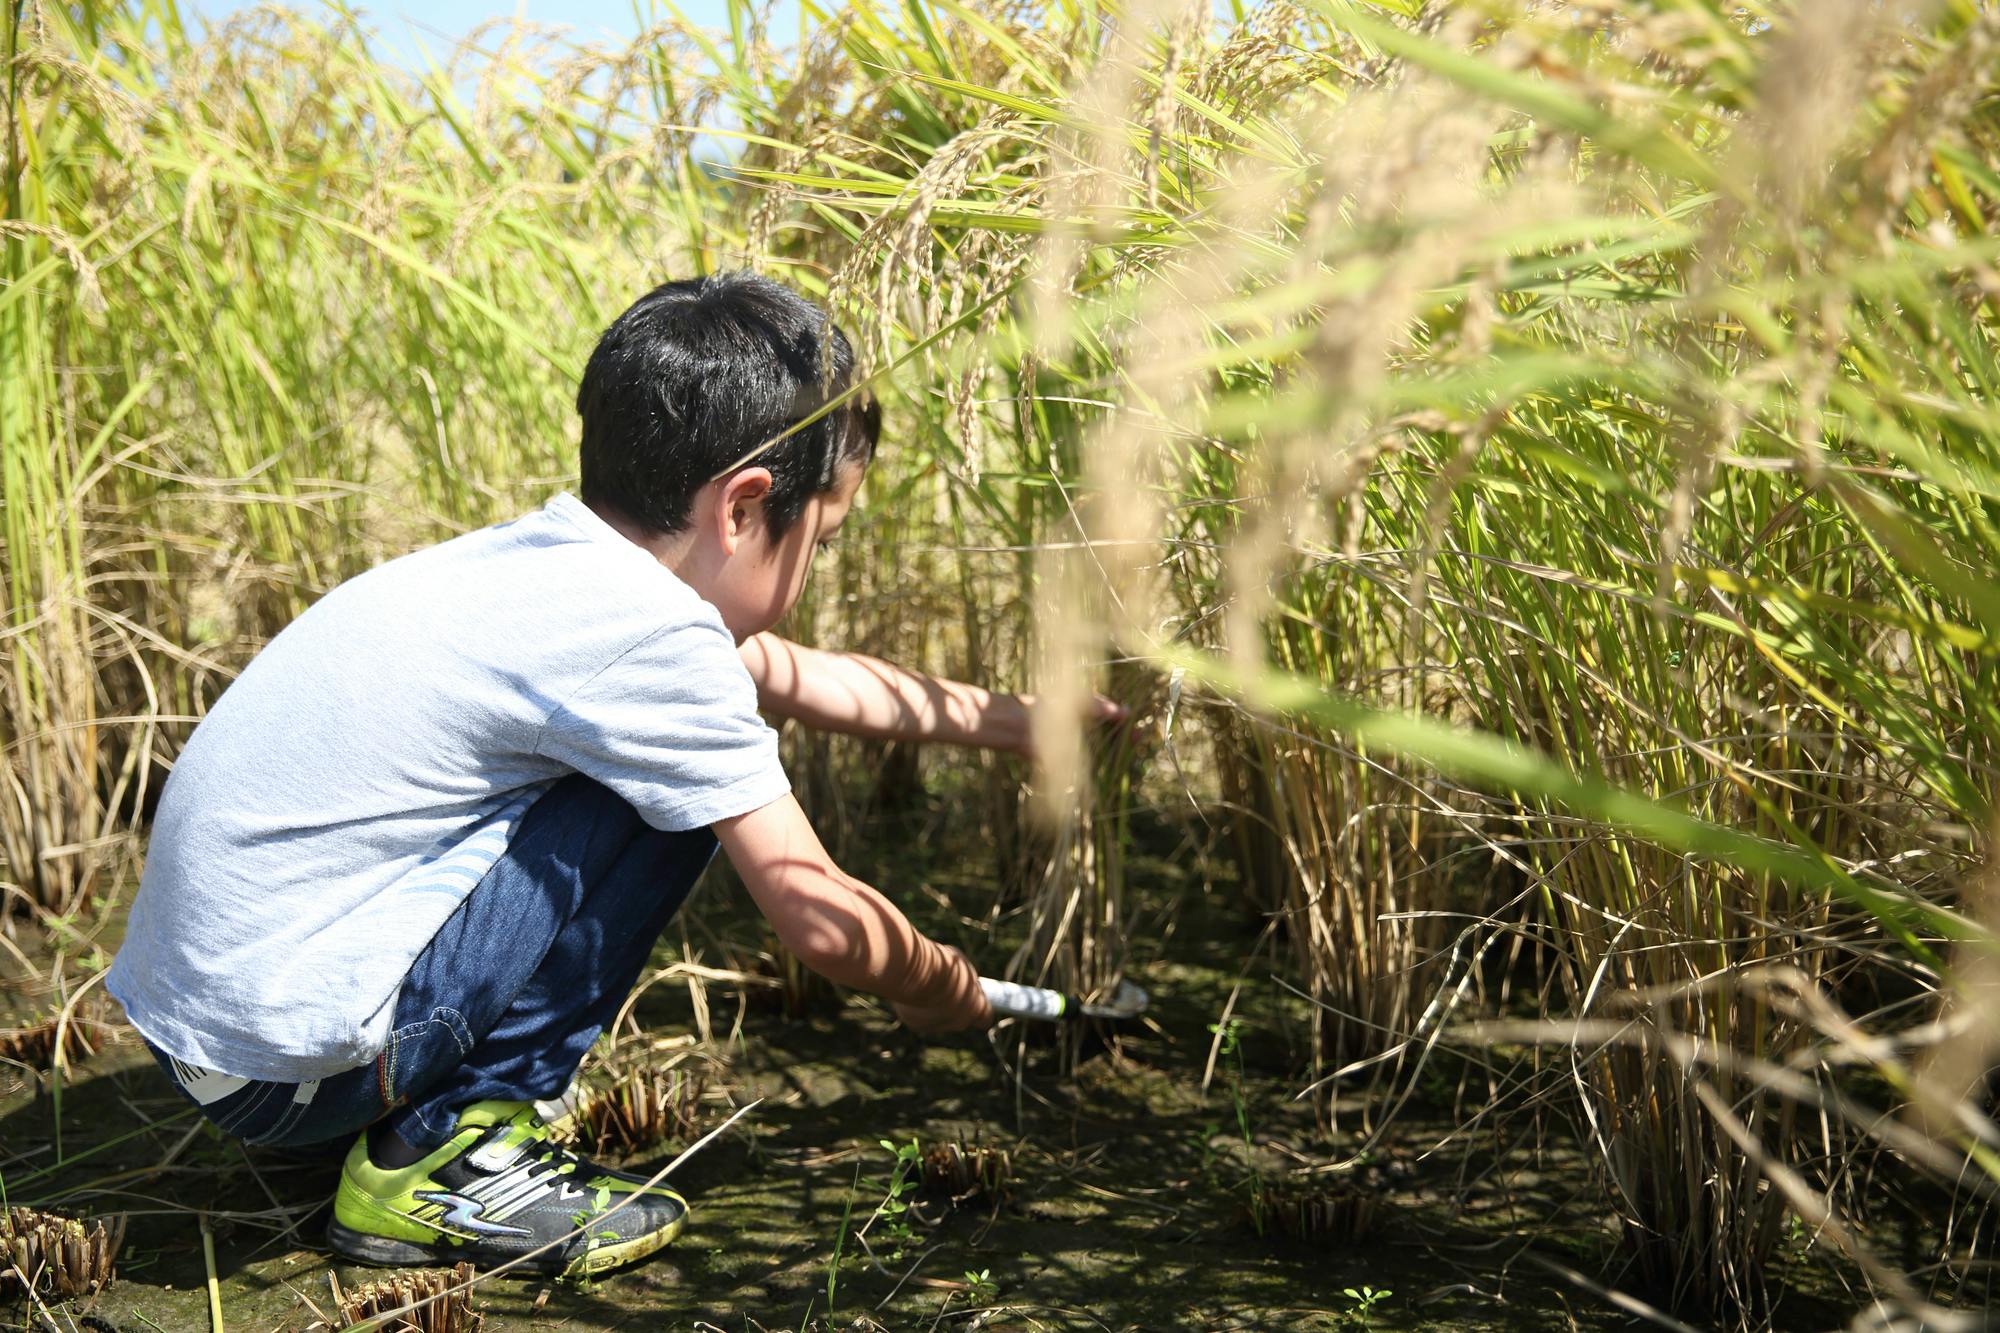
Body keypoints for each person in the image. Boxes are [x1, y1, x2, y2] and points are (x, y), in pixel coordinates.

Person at [105, 271, 1112, 1280]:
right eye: (824, 539)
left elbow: (808, 679)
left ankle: (400, 1106)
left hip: (211, 1040)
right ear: (745, 505)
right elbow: (820, 921)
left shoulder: (550, 571)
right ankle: (448, 1153)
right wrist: (941, 985)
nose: (817, 568)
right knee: (669, 803)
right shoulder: (652, 647)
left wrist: (1027, 725)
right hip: (290, 1074)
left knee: (671, 759)